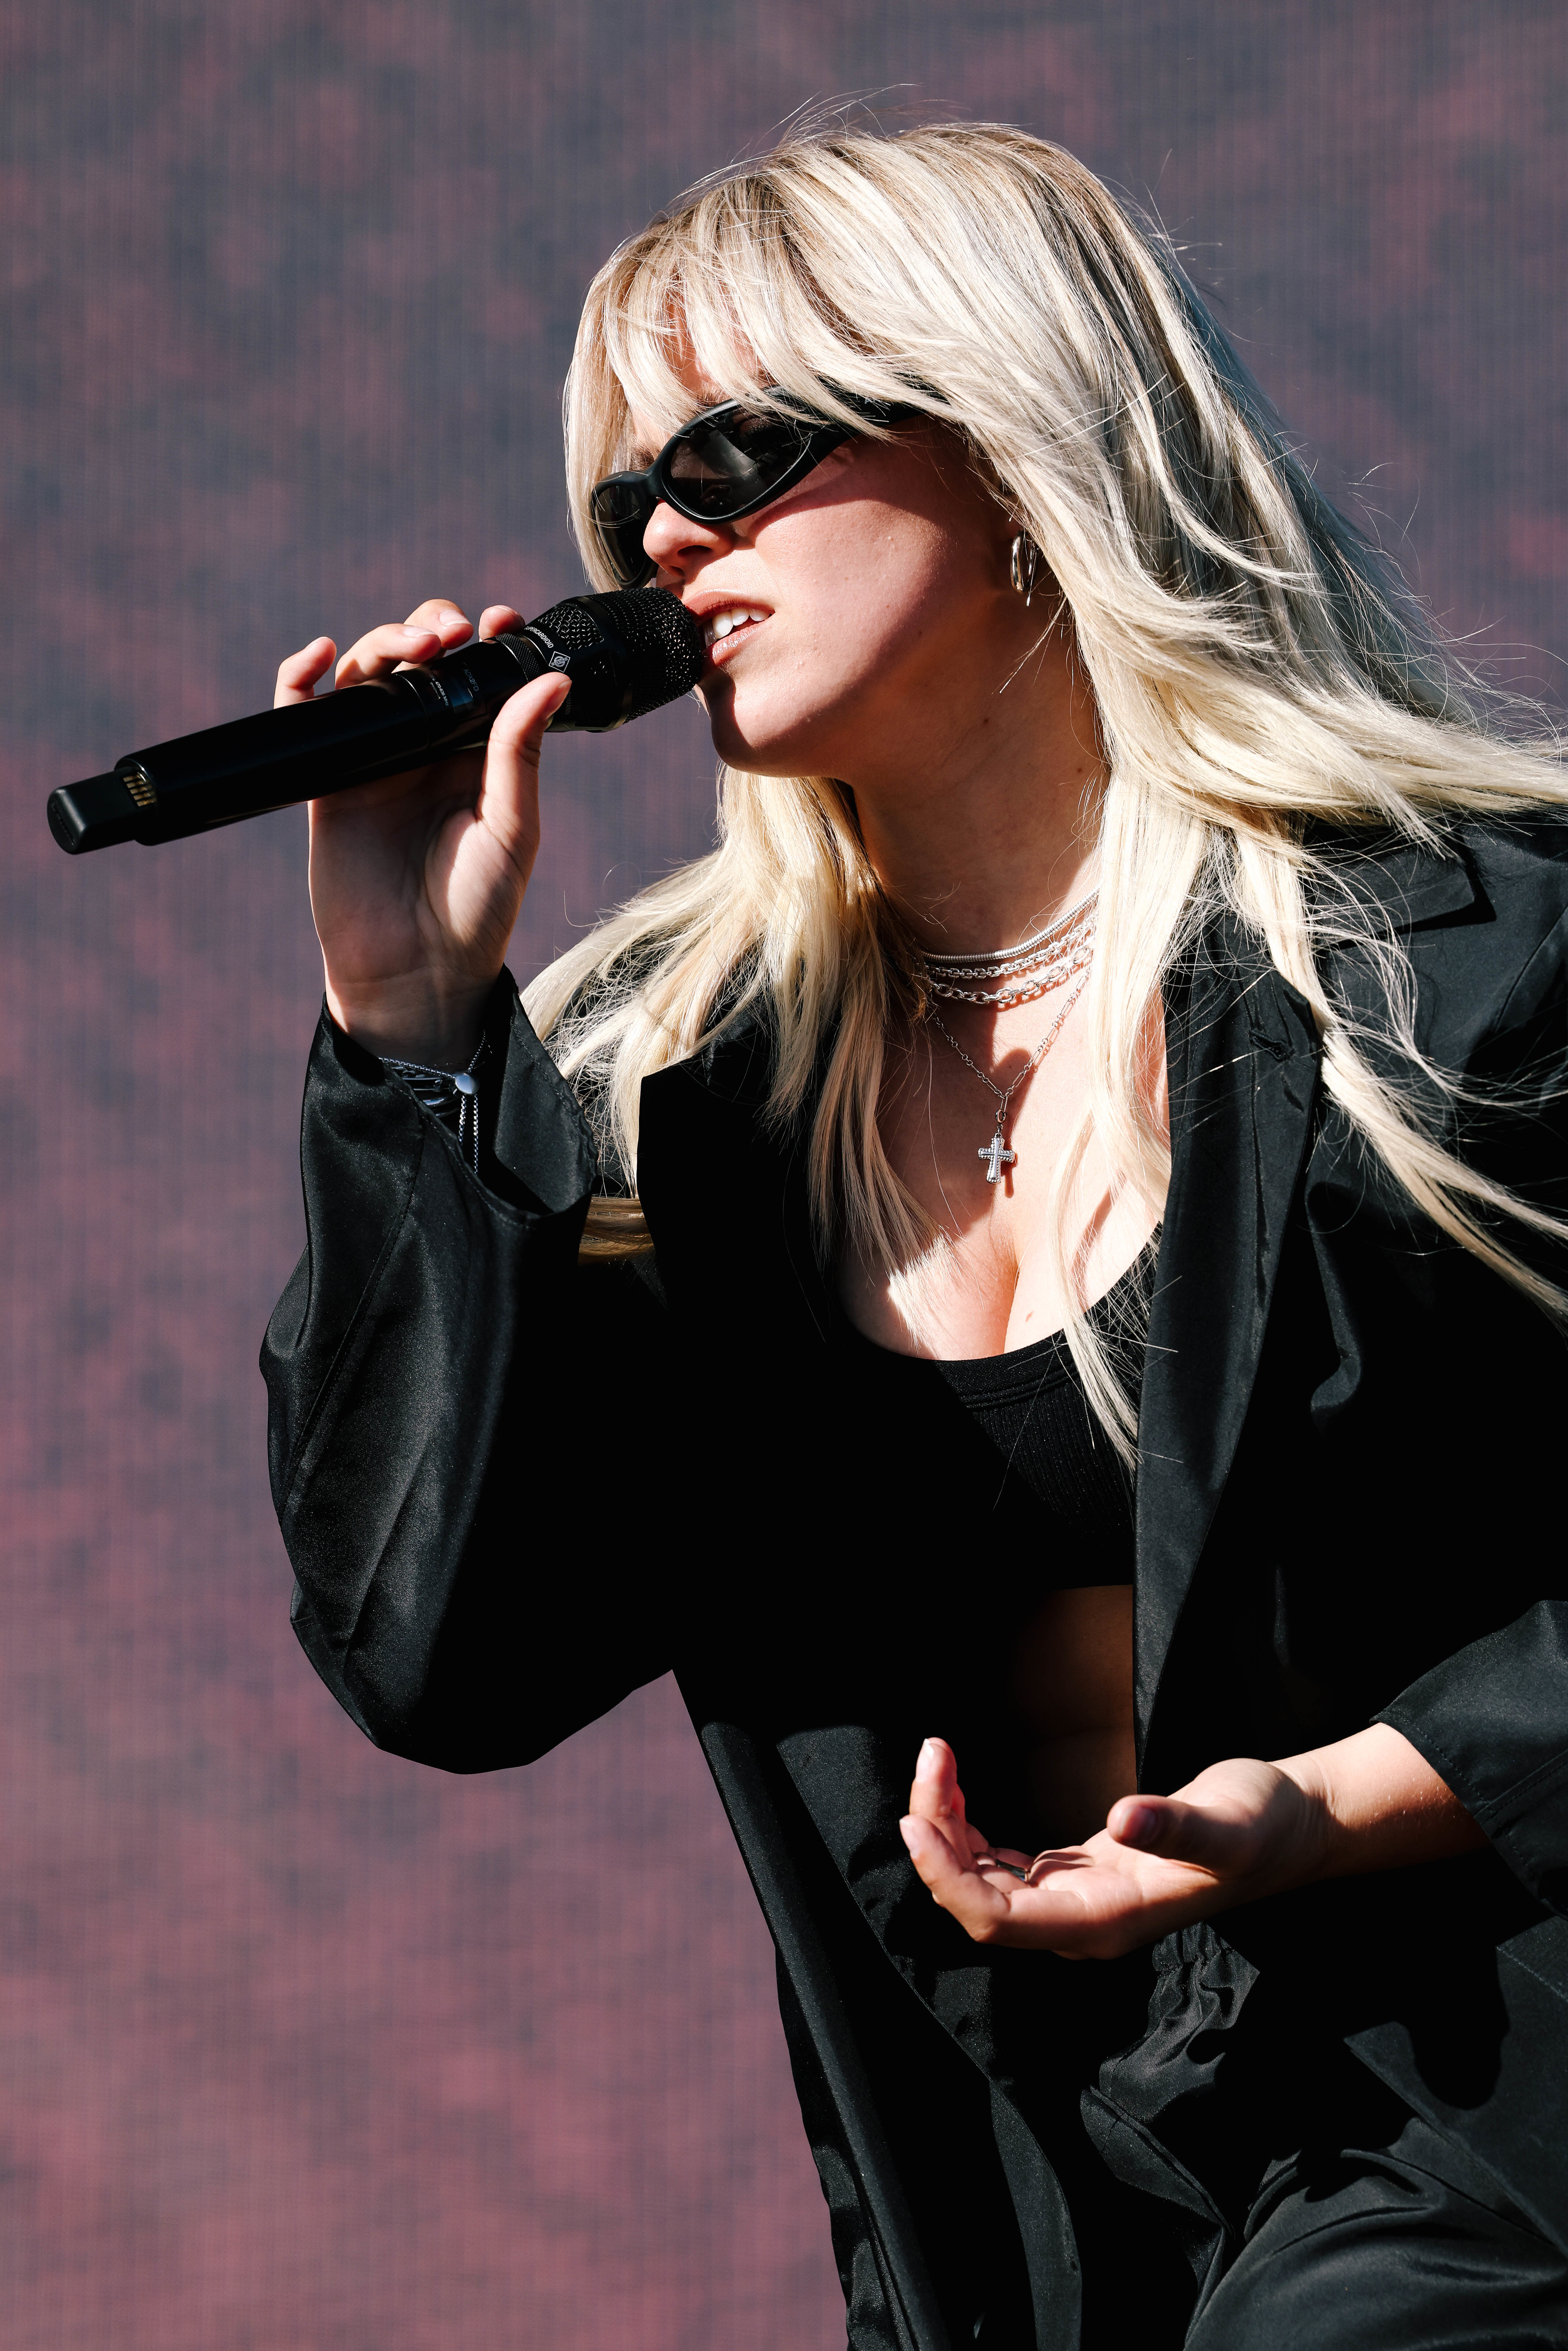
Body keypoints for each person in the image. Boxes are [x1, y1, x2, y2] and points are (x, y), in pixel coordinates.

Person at [262, 125, 1568, 2347]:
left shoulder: (1460, 964)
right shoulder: (677, 1091)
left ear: (1013, 432)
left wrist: (1339, 1802)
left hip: (1485, 2111)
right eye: (624, 505)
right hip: (1016, 2195)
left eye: (743, 454)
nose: (671, 538)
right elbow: (442, 1661)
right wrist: (413, 1037)